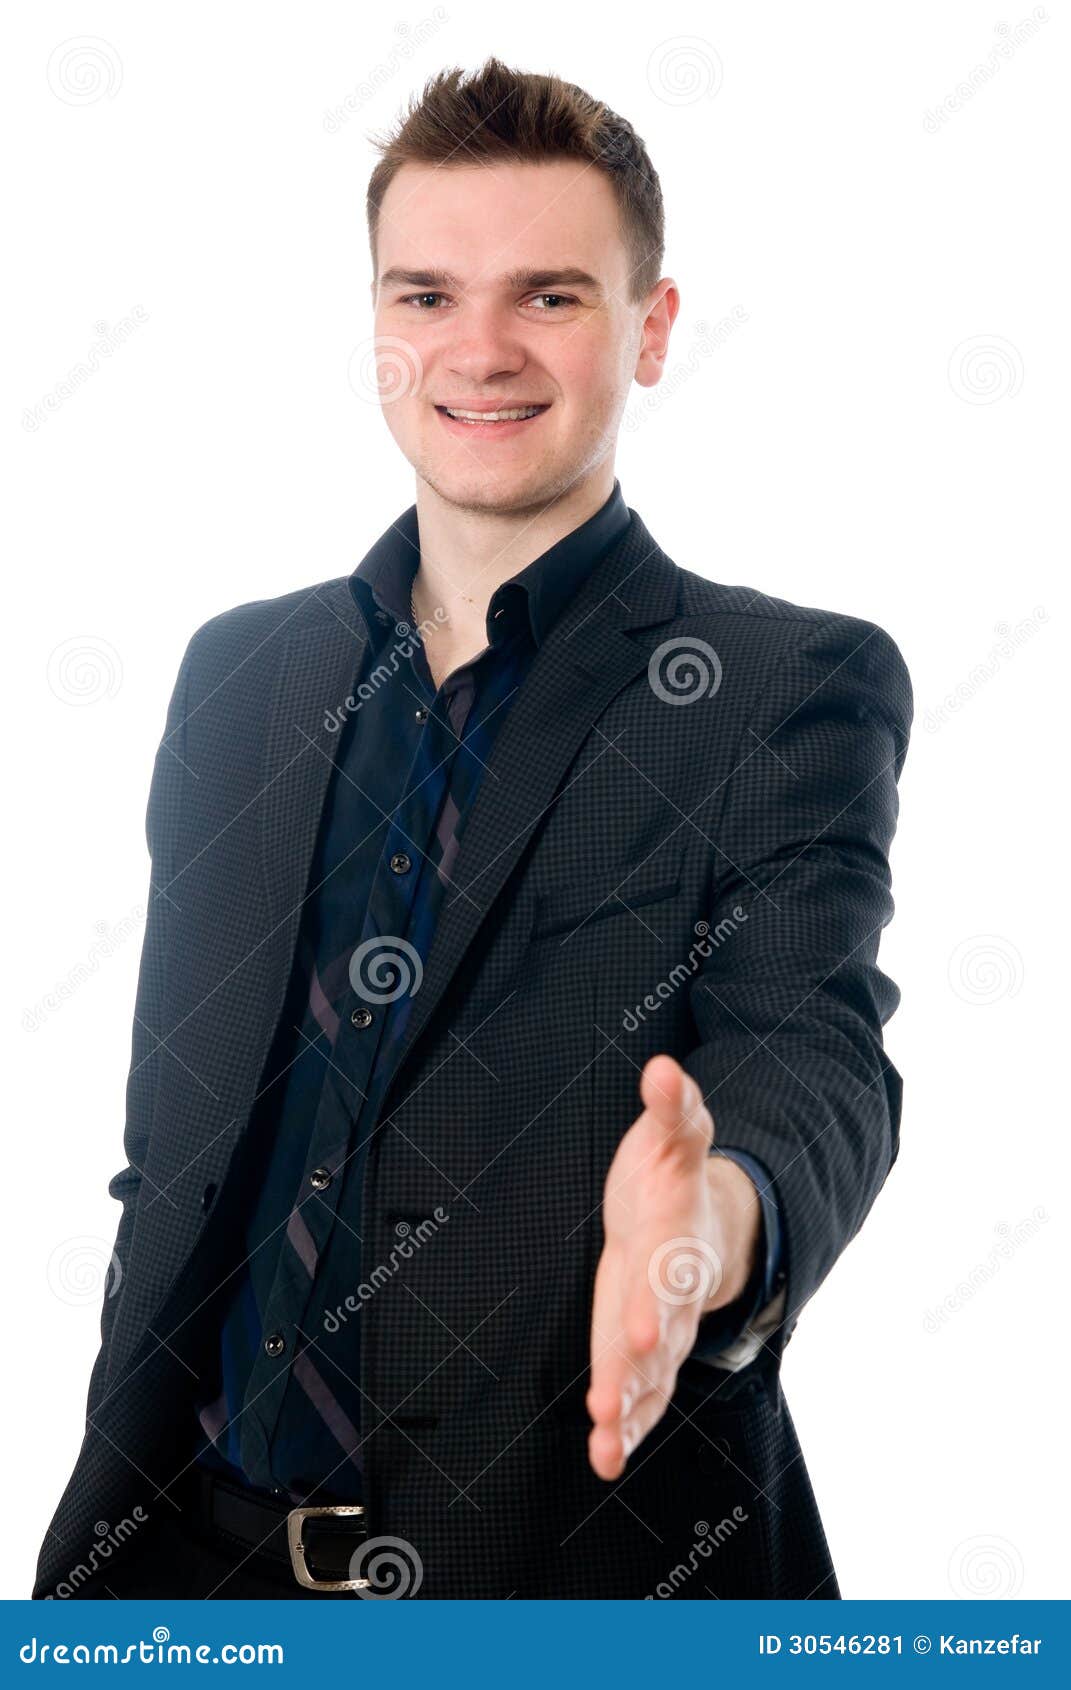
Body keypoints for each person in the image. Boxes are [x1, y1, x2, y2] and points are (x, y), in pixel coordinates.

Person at [34, 56, 911, 1601]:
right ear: (377, 326)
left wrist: (715, 1218)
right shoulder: (243, 676)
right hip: (185, 1571)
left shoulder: (782, 688)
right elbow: (171, 1155)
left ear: (650, 327)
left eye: (552, 297)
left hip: (569, 1583)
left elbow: (814, 1055)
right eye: (427, 295)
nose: (481, 349)